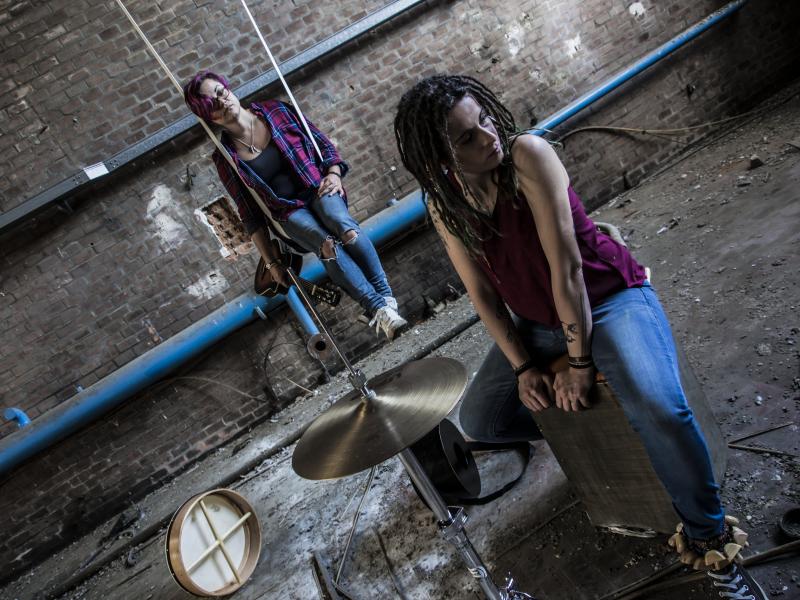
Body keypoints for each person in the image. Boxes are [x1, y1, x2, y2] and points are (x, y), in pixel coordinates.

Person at [394, 74, 765, 600]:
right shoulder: (444, 202)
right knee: (483, 419)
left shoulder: (527, 155)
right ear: (439, 162)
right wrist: (524, 367)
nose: (489, 137)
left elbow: (567, 271)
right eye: (467, 138)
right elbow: (482, 294)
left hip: (606, 297)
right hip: (536, 322)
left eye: (485, 120)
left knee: (661, 409)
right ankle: (613, 434)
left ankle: (711, 539)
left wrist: (579, 363)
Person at [183, 70, 407, 339]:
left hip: (318, 185)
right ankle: (379, 308)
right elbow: (249, 213)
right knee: (325, 242)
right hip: (287, 211)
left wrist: (334, 173)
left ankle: (384, 301)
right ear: (209, 116)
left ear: (228, 89)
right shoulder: (225, 158)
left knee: (342, 224)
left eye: (221, 92)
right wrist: (271, 262)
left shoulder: (277, 111)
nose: (222, 101)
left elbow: (323, 144)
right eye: (213, 104)